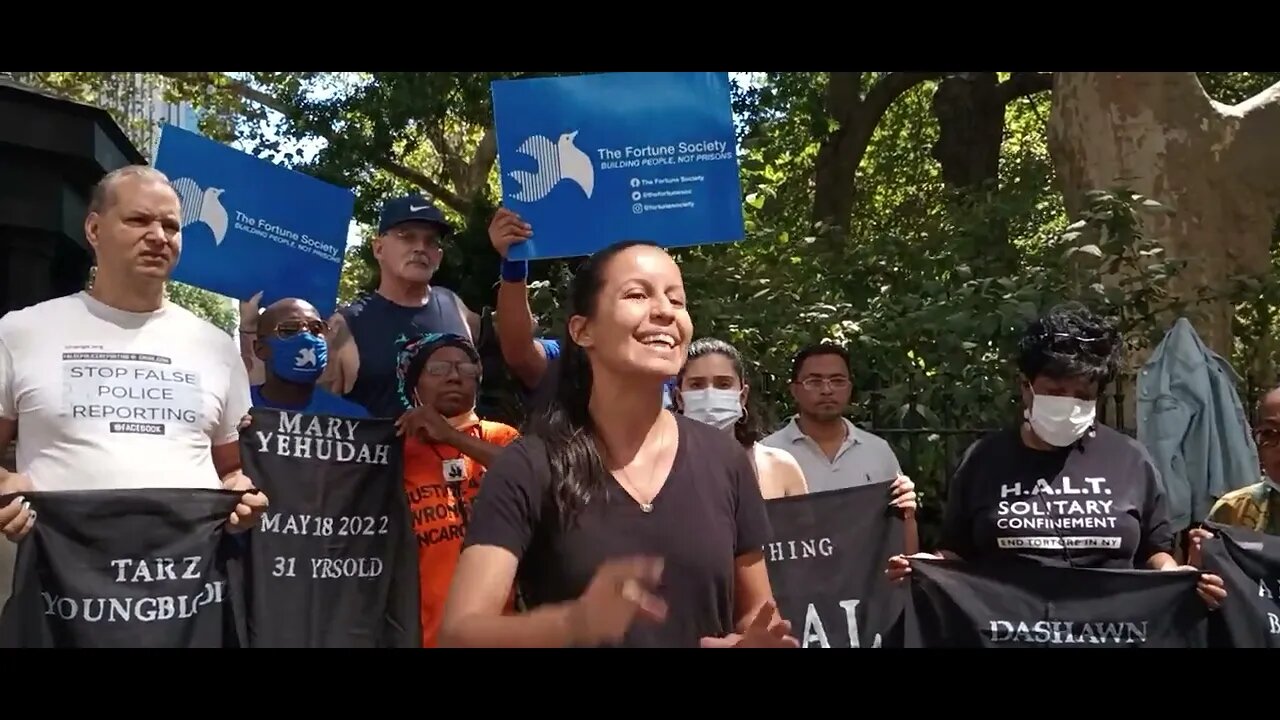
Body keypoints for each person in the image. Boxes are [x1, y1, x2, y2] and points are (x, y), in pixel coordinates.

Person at [438, 240, 798, 648]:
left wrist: (753, 642)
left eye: (676, 300)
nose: (664, 311)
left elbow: (757, 615)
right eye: (637, 294)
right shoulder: (529, 464)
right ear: (582, 330)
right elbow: (460, 633)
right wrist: (574, 623)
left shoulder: (725, 459)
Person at [885, 302, 1225, 608]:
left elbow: (1156, 552)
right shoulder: (982, 461)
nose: (1069, 403)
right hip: (1008, 633)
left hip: (1113, 633)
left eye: (1082, 394)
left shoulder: (1131, 460)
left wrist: (1181, 576)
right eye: (1055, 392)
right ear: (1025, 387)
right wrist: (925, 566)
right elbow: (956, 553)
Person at [0, 165, 268, 540]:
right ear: (94, 230)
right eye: (138, 220)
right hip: (62, 582)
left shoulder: (217, 347)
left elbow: (232, 471)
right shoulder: (21, 332)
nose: (158, 236)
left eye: (171, 226)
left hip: (187, 582)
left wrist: (242, 497)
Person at [235, 195, 480, 419]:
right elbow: (280, 394)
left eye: (431, 241)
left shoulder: (454, 305)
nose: (420, 248)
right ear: (379, 248)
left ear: (438, 255)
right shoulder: (345, 325)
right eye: (406, 236)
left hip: (458, 464)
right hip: (380, 464)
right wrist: (249, 329)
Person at [393, 332, 520, 647]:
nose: (454, 376)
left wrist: (453, 437)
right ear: (413, 386)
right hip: (427, 634)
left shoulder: (500, 437)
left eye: (465, 368)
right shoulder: (394, 452)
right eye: (437, 369)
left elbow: (532, 475)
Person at [675, 337, 809, 500]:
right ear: (679, 398)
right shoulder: (657, 470)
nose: (710, 393)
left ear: (743, 396)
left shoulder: (780, 467)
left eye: (723, 384)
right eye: (697, 385)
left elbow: (803, 525)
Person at [250, 297, 369, 417]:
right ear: (260, 349)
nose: (306, 337)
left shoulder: (352, 420)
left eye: (316, 328)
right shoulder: (238, 407)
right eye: (289, 329)